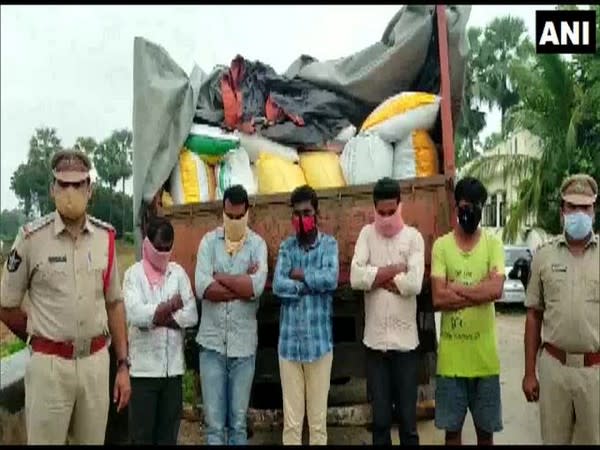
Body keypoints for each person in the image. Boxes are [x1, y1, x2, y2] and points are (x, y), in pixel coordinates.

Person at [0, 149, 131, 444]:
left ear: (90, 189)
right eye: (63, 184)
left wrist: (122, 364)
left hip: (96, 364)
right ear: (52, 189)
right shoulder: (31, 239)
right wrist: (40, 338)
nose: (70, 192)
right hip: (49, 369)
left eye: (78, 184)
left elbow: (114, 303)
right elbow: (6, 305)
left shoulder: (105, 238)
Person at [522, 174, 599, 445]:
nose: (579, 213)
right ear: (562, 211)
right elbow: (533, 315)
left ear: (594, 211)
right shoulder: (544, 256)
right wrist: (530, 372)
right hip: (554, 368)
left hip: (595, 372)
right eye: (572, 207)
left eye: (585, 207)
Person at [430, 176, 505, 446]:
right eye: (464, 206)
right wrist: (478, 292)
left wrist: (458, 288)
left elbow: (496, 291)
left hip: (485, 362)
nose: (469, 212)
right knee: (452, 434)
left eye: (475, 206)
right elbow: (438, 298)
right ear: (455, 206)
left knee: (486, 434)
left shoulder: (493, 244)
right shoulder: (441, 246)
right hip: (451, 364)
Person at [350, 177, 425, 445]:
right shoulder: (366, 235)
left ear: (400, 206)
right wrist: (394, 271)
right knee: (380, 423)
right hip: (376, 347)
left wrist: (376, 279)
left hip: (405, 347)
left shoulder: (414, 238)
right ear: (374, 209)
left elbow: (415, 283)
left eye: (391, 212)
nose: (386, 217)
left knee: (408, 422)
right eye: (381, 213)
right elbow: (355, 278)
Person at [194, 184, 268, 445]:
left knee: (237, 424)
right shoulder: (207, 242)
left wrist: (220, 277)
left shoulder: (258, 245)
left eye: (239, 216)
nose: (234, 221)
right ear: (222, 212)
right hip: (211, 347)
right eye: (229, 216)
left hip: (243, 349)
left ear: (248, 212)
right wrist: (241, 285)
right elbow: (203, 288)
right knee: (214, 427)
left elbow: (255, 287)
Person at [272, 184, 339, 445]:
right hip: (289, 348)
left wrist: (299, 276)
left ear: (317, 213)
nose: (302, 218)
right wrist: (309, 284)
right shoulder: (287, 247)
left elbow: (331, 280)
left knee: (318, 423)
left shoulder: (329, 245)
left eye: (307, 212)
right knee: (291, 424)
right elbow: (278, 285)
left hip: (319, 346)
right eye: (297, 213)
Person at [123, 217, 198, 444]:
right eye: (159, 248)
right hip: (143, 374)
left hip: (172, 372)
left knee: (168, 437)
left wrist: (158, 317)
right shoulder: (133, 276)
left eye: (168, 248)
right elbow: (136, 314)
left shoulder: (177, 274)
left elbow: (192, 315)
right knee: (142, 437)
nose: (164, 254)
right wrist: (170, 307)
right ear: (147, 244)